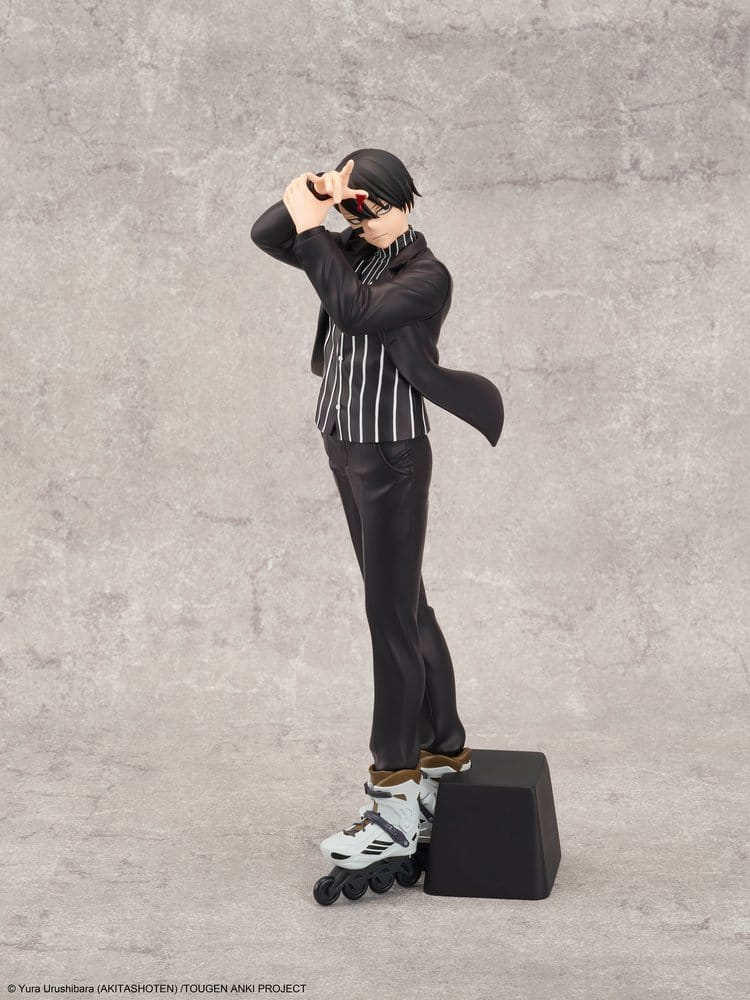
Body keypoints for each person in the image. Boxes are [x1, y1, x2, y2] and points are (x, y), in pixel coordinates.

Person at [251, 149, 503, 889]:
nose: (356, 218)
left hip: (391, 453)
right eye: (349, 206)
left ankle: (393, 795)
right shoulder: (350, 250)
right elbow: (269, 235)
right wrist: (315, 195)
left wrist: (318, 229)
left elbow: (355, 313)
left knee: (388, 617)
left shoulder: (427, 275)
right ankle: (443, 752)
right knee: (406, 607)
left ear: (402, 202)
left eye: (369, 205)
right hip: (344, 441)